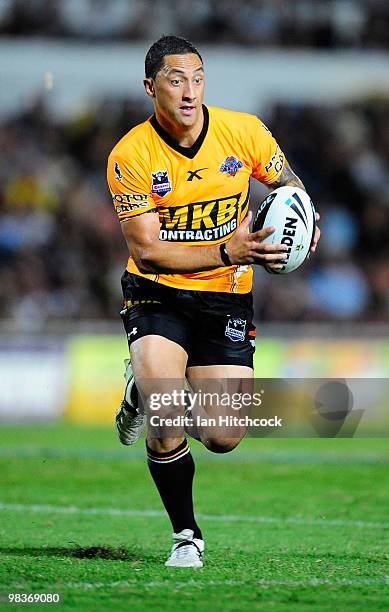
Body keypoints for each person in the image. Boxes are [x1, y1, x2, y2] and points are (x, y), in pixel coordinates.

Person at [107, 35, 320, 568]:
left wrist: (304, 223)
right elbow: (149, 252)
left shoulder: (244, 131)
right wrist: (230, 248)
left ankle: (144, 391)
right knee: (165, 410)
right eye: (176, 80)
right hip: (156, 294)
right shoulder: (130, 155)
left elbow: (288, 183)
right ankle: (186, 535)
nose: (189, 91)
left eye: (197, 78)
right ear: (151, 86)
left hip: (226, 299)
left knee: (224, 435)